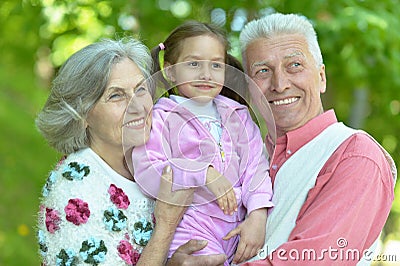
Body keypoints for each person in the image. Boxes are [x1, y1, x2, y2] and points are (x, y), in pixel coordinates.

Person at [35, 37, 226, 266]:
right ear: (82, 114)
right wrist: (165, 226)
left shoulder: (155, 158)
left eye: (140, 90)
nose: (137, 106)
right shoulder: (75, 189)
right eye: (116, 95)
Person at [237, 13, 397, 265]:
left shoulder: (355, 154)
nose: (279, 84)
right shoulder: (243, 157)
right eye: (263, 71)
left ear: (321, 77)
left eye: (295, 65)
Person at [130, 21, 273, 265]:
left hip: (239, 227)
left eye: (216, 65)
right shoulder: (161, 118)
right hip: (191, 225)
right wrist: (203, 174)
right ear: (171, 70)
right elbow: (148, 171)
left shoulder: (237, 115)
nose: (206, 74)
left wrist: (258, 215)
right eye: (193, 64)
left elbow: (256, 168)